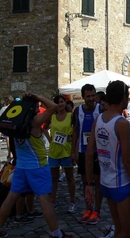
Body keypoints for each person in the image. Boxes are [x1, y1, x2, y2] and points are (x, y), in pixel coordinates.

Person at [0, 92, 75, 238]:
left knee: (10, 199)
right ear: (33, 106)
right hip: (38, 167)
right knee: (44, 200)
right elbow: (53, 106)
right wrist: (38, 97)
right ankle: (57, 233)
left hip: (21, 167)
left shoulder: (16, 122)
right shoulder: (34, 122)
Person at [85, 80, 130, 238]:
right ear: (123, 98)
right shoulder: (121, 123)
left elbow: (88, 153)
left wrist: (88, 184)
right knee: (127, 233)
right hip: (121, 183)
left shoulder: (98, 119)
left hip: (106, 182)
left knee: (119, 229)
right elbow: (127, 161)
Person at [72, 84, 103, 225]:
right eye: (88, 96)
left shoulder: (100, 109)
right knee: (86, 182)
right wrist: (73, 151)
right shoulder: (77, 111)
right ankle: (88, 209)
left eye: (93, 95)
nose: (91, 99)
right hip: (83, 151)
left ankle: (97, 210)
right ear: (83, 97)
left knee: (97, 182)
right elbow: (75, 132)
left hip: (98, 152)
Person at [44, 95, 76, 214]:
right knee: (54, 178)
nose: (60, 104)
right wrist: (49, 139)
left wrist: (73, 145)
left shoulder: (70, 116)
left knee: (69, 178)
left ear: (65, 103)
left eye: (62, 102)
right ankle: (52, 201)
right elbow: (44, 128)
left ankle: (72, 202)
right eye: (58, 103)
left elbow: (76, 131)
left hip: (66, 151)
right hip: (54, 151)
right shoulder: (52, 116)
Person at [0, 96, 15, 161]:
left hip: (6, 127)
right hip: (14, 127)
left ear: (7, 101)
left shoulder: (3, 109)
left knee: (8, 141)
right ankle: (12, 153)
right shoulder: (15, 108)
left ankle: (10, 154)